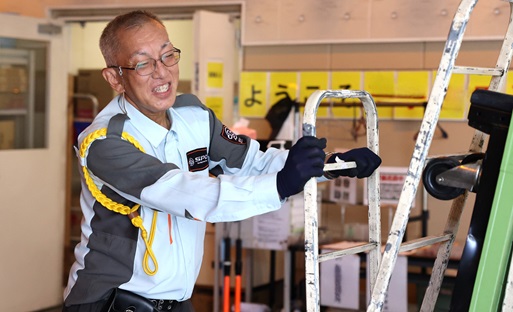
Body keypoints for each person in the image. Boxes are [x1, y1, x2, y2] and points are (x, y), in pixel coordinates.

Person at [62, 10, 381, 312]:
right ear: (115, 78)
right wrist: (282, 184)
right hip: (109, 302)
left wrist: (333, 164)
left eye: (168, 55)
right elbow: (183, 192)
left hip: (176, 301)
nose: (162, 72)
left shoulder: (193, 114)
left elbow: (252, 161)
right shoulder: (104, 141)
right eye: (143, 64)